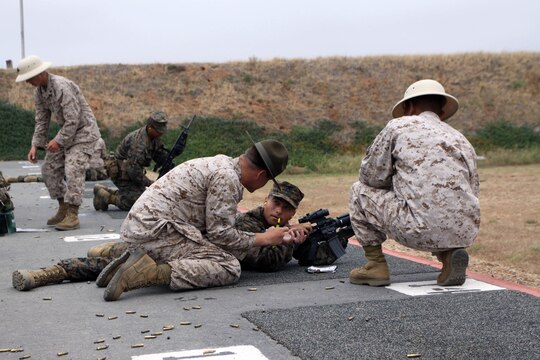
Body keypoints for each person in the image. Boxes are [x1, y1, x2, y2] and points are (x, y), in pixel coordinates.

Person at [98, 138, 307, 301]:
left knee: (217, 249)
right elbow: (221, 235)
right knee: (228, 267)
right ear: (261, 175)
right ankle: (147, 272)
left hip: (145, 228)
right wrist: (266, 239)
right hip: (155, 232)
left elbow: (220, 223)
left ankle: (129, 263)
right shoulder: (228, 179)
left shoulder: (220, 164)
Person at [348, 79, 480, 287]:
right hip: (463, 230)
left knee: (358, 191)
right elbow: (472, 189)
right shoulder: (460, 138)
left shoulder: (398, 126)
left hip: (418, 228)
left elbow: (371, 177)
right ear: (442, 109)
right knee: (442, 204)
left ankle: (375, 265)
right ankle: (449, 255)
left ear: (409, 106)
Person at [15, 55, 103, 231]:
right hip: (67, 133)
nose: (28, 82)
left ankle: (72, 215)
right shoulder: (40, 92)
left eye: (29, 78)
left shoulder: (62, 87)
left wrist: (58, 140)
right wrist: (35, 145)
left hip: (83, 133)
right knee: (49, 169)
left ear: (40, 74)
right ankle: (63, 208)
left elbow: (73, 119)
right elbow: (41, 120)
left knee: (73, 168)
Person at [93, 111, 170, 211]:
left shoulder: (154, 137)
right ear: (150, 127)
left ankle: (104, 191)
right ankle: (107, 198)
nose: (160, 133)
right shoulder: (139, 143)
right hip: (122, 174)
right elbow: (133, 170)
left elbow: (159, 155)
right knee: (140, 201)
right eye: (158, 130)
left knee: (146, 196)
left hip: (131, 174)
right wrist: (150, 183)